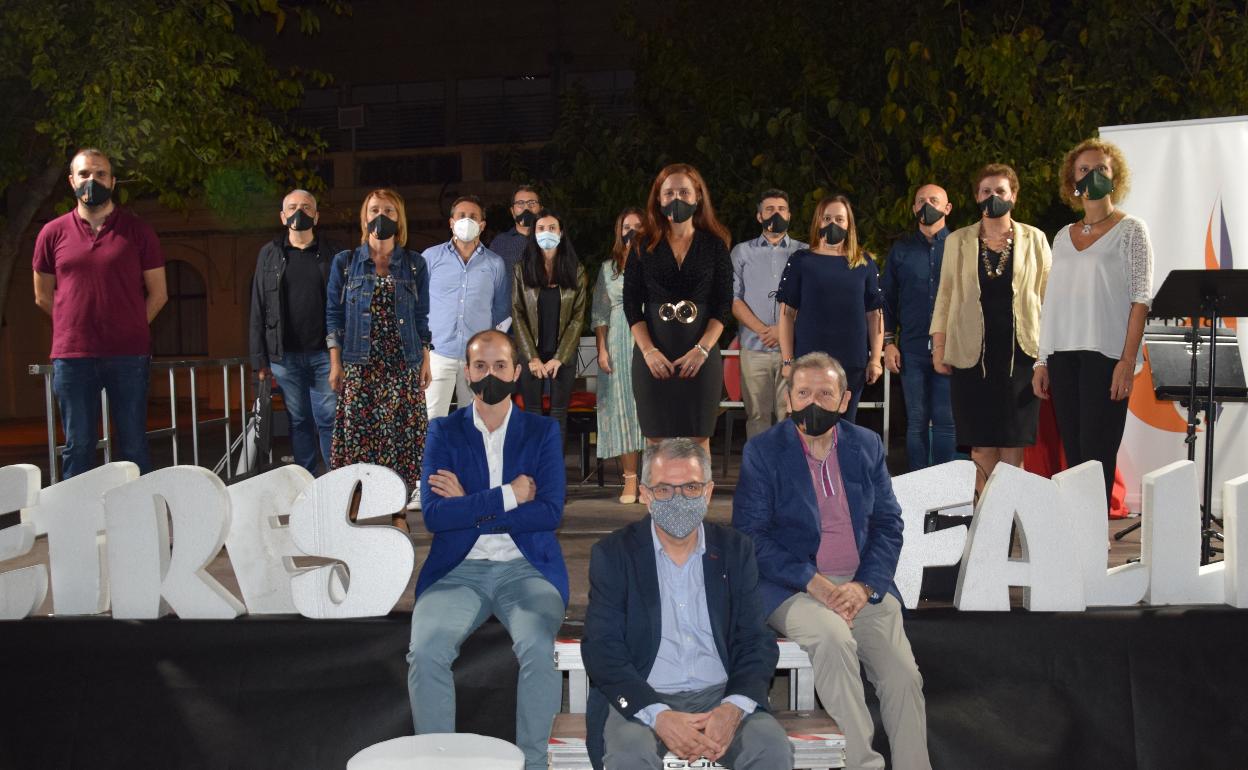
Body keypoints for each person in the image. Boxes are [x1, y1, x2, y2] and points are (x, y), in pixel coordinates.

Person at [734, 352, 930, 770]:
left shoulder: (866, 445)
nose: (812, 403)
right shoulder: (763, 452)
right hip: (793, 588)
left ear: (844, 401)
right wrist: (815, 583)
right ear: (788, 399)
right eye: (802, 393)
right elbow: (752, 537)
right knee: (833, 640)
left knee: (903, 676)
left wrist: (864, 585)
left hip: (862, 588)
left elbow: (888, 524)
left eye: (825, 394)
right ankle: (863, 765)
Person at [406, 329, 567, 770]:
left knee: (539, 648)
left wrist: (470, 504)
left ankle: (533, 764)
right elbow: (436, 516)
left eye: (500, 366)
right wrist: (509, 495)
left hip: (526, 569)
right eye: (481, 366)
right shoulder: (442, 430)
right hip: (459, 571)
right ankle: (439, 763)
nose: (490, 374)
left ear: (516, 372)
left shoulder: (542, 431)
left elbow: (549, 512)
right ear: (467, 372)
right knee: (426, 651)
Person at [582, 438, 791, 770]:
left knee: (771, 749)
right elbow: (602, 648)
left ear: (708, 492)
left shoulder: (736, 551)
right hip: (645, 696)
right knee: (628, 754)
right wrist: (659, 714)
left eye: (691, 488)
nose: (679, 499)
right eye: (665, 490)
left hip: (721, 694)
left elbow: (755, 640)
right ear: (646, 495)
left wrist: (733, 707)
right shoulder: (614, 554)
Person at [32, 148, 167, 478]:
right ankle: (77, 524)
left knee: (134, 445)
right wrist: (76, 326)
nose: (92, 180)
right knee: (78, 447)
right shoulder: (52, 233)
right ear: (71, 181)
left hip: (128, 356)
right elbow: (42, 296)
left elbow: (159, 294)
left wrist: (128, 325)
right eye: (84, 174)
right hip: (73, 357)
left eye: (101, 174)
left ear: (113, 181)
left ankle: (138, 522)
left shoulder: (137, 231)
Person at [1033, 139, 1153, 506]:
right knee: (1074, 453)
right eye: (1084, 170)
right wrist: (1042, 359)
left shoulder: (1131, 229)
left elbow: (1141, 299)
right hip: (1064, 356)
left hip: (1106, 356)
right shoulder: (1062, 237)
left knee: (1098, 452)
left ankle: (1094, 538)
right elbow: (1052, 303)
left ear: (1115, 178)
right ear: (1073, 181)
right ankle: (1078, 535)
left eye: (1101, 169)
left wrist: (1127, 361)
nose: (1092, 176)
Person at [931, 164, 1051, 496]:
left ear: (1013, 195)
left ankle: (1011, 527)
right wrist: (939, 346)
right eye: (986, 191)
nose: (993, 197)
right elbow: (945, 295)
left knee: (1013, 451)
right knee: (981, 450)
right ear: (976, 197)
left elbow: (1048, 297)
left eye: (1000, 191)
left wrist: (1047, 356)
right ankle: (984, 528)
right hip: (972, 357)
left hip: (1021, 357)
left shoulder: (1035, 239)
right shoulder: (958, 240)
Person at [325, 189, 431, 528]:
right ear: (364, 216)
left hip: (402, 364)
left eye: (388, 209)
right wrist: (335, 362)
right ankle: (354, 505)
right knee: (357, 440)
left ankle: (398, 510)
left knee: (400, 440)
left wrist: (425, 359)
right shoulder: (345, 263)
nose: (380, 215)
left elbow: (422, 315)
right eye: (374, 209)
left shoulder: (414, 263)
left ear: (399, 218)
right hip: (360, 364)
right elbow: (333, 315)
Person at [623, 163, 733, 449]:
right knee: (656, 442)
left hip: (700, 356)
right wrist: (648, 352)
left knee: (699, 440)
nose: (676, 199)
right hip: (653, 357)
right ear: (658, 199)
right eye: (669, 192)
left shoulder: (715, 244)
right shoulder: (640, 244)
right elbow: (632, 303)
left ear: (698, 196)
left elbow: (723, 304)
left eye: (684, 192)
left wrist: (702, 350)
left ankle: (698, 494)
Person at [249, 189, 339, 475]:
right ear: (282, 215)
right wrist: (259, 360)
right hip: (284, 355)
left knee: (328, 418)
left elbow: (342, 306)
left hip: (324, 354)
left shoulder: (332, 254)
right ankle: (307, 480)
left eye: (306, 207)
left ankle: (335, 481)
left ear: (316, 215)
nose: (299, 212)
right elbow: (258, 307)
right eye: (292, 207)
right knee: (299, 420)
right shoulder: (270, 254)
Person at [776, 194, 884, 423]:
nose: (833, 224)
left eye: (839, 219)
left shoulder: (864, 262)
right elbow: (786, 315)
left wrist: (875, 359)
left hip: (851, 362)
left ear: (849, 224)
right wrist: (787, 360)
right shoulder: (801, 261)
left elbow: (875, 314)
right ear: (818, 222)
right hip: (809, 361)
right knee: (808, 425)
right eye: (827, 218)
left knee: (845, 426)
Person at [881, 184, 956, 471]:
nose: (927, 205)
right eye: (921, 201)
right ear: (913, 208)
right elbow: (886, 299)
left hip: (951, 349)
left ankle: (947, 492)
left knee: (946, 421)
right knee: (916, 422)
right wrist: (889, 342)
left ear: (947, 208)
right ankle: (918, 490)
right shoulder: (901, 250)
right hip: (911, 349)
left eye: (934, 200)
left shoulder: (960, 245)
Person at [422, 194, 511, 420]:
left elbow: (501, 310)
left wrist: (491, 353)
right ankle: (435, 457)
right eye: (461, 216)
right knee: (432, 420)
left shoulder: (495, 263)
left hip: (477, 358)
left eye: (473, 216)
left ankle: (468, 458)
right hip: (437, 353)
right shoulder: (430, 258)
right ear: (451, 222)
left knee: (473, 421)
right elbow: (417, 305)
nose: (467, 220)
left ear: (482, 225)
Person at [732, 189, 809, 438]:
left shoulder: (804, 253)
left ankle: (788, 471)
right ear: (759, 216)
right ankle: (761, 473)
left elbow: (810, 299)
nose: (776, 213)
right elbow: (733, 299)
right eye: (770, 209)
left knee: (791, 414)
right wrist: (764, 330)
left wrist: (782, 331)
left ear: (790, 214)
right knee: (757, 416)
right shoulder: (742, 252)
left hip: (794, 350)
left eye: (781, 209)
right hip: (755, 347)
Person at [512, 209, 589, 441]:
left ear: (561, 232)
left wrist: (560, 357)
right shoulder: (521, 270)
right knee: (532, 412)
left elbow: (578, 317)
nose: (547, 233)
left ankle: (555, 470)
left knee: (558, 414)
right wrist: (531, 357)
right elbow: (517, 313)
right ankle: (534, 471)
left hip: (562, 354)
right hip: (531, 352)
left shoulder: (576, 271)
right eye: (541, 228)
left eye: (552, 228)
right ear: (533, 234)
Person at [592, 208, 647, 504]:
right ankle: (629, 479)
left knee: (648, 410)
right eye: (627, 226)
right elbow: (599, 313)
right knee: (624, 410)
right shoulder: (607, 268)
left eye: (639, 226)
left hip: (648, 340)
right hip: (617, 340)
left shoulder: (655, 263)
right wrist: (602, 348)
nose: (633, 231)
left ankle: (651, 480)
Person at [490, 184, 542, 275]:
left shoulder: (552, 239)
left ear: (541, 210)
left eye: (532, 203)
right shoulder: (499, 243)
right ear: (512, 212)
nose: (526, 208)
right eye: (520, 203)